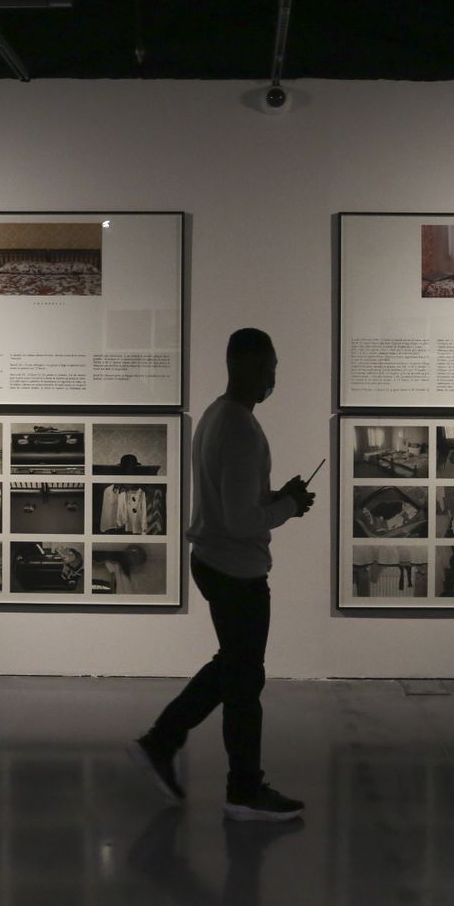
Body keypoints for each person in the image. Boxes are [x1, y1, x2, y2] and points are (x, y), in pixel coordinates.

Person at [130, 328, 314, 822]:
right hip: (236, 568)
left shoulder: (216, 414)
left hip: (214, 560)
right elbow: (241, 520)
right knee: (244, 680)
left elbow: (239, 502)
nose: (275, 377)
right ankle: (241, 787)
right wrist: (290, 507)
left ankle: (164, 742)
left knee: (233, 667)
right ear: (250, 367)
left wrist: (278, 498)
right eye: (271, 367)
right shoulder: (239, 429)